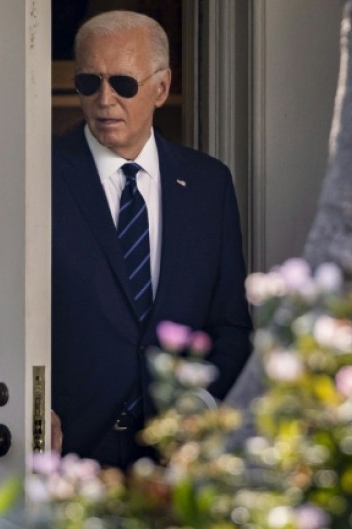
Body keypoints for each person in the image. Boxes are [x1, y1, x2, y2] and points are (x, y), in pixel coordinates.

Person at [50, 10, 253, 468]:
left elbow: (231, 326)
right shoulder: (36, 178)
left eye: (123, 83)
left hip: (177, 453)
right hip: (67, 451)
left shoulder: (209, 184)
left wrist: (199, 408)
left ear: (161, 88)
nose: (105, 100)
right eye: (88, 83)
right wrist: (33, 410)